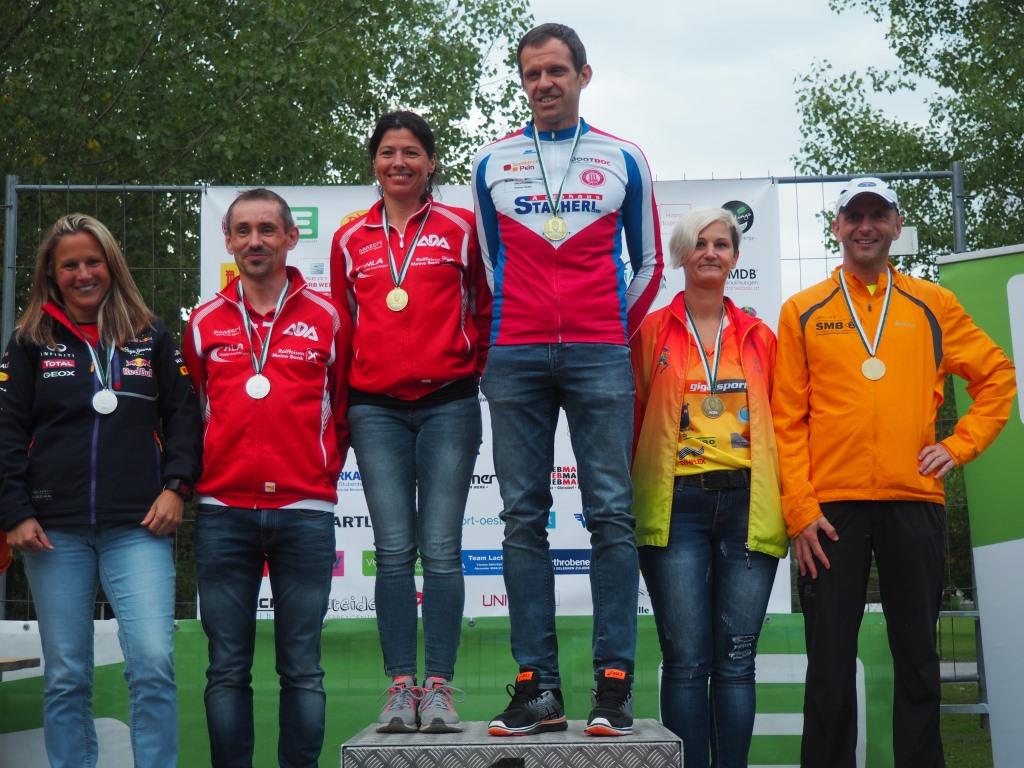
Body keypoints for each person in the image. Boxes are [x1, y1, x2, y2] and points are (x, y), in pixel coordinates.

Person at [772, 177, 1016, 768]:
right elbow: (786, 419)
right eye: (854, 217)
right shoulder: (803, 310)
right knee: (829, 664)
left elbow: (997, 377)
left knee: (919, 661)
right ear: (836, 227)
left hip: (915, 501)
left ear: (896, 225)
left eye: (877, 215)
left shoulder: (933, 304)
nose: (866, 227)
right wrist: (800, 510)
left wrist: (959, 445)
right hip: (831, 512)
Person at [471, 22, 663, 737]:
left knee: (610, 512)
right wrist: (512, 330)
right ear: (523, 82)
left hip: (598, 353)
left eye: (556, 70)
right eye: (532, 74)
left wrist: (609, 330)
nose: (544, 84)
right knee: (522, 518)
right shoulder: (492, 160)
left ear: (584, 74)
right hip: (517, 356)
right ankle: (537, 688)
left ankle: (613, 684)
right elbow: (490, 266)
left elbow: (649, 263)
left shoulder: (623, 157)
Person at [0, 213, 201, 768]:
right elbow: (7, 431)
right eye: (70, 265)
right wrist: (14, 511)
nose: (84, 273)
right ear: (51, 273)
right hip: (52, 531)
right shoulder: (29, 340)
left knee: (153, 663)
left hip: (138, 526)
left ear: (112, 265)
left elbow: (184, 416)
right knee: (66, 673)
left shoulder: (150, 335)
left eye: (94, 261)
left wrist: (176, 488)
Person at [329, 110, 490, 733]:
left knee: (442, 550)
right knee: (394, 551)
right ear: (374, 162)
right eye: (388, 152)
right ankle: (401, 687)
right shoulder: (350, 238)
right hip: (376, 409)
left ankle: (439, 688)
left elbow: (484, 307)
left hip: (449, 403)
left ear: (430, 163)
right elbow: (343, 325)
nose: (399, 163)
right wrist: (345, 407)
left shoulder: (462, 228)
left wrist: (470, 369)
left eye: (411, 153)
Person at [183, 189, 352, 768]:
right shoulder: (203, 322)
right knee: (226, 668)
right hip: (223, 511)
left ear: (290, 237)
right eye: (244, 231)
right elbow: (196, 409)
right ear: (229, 241)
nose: (255, 241)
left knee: (302, 668)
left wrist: (318, 472)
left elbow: (343, 408)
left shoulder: (329, 317)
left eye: (267, 230)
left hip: (304, 512)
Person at [631, 208, 786, 767]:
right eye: (699, 243)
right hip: (677, 505)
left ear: (736, 258)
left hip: (748, 503)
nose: (711, 252)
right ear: (680, 254)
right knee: (687, 662)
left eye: (721, 244)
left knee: (737, 662)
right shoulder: (650, 331)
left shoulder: (760, 336)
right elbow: (633, 417)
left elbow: (785, 423)